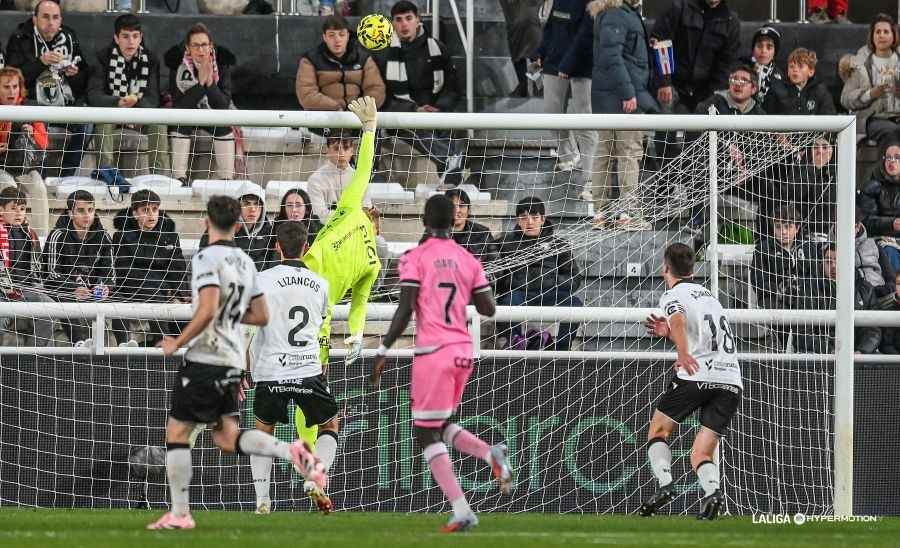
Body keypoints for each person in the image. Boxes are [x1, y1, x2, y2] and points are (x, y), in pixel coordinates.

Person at [148, 195, 325, 531]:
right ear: (239, 225)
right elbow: (260, 314)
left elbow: (208, 308)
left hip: (206, 355)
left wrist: (178, 341)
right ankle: (294, 452)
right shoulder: (246, 262)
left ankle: (181, 513)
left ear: (206, 223)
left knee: (178, 430)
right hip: (231, 358)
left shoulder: (206, 257)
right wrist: (232, 316)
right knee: (227, 437)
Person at [370, 194, 513, 533]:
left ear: (423, 219)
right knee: (438, 424)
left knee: (423, 429)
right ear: (454, 221)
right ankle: (491, 453)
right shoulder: (468, 259)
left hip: (434, 351)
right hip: (464, 351)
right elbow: (489, 309)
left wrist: (383, 349)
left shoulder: (415, 257)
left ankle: (462, 510)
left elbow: (405, 309)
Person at [293, 96, 382, 442]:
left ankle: (311, 455)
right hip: (299, 284)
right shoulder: (349, 207)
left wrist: (357, 335)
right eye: (371, 215)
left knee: (314, 386)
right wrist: (370, 130)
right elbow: (364, 168)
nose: (373, 220)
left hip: (321, 315)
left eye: (374, 218)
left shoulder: (373, 263)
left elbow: (359, 304)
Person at [640, 242, 742, 520]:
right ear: (693, 268)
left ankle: (665, 484)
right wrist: (669, 335)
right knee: (701, 453)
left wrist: (682, 351)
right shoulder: (711, 296)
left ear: (664, 267)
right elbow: (704, 336)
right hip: (730, 379)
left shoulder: (673, 294)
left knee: (659, 431)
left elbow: (679, 320)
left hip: (696, 373)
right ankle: (713, 492)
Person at [247, 220, 338, 516]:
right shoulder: (321, 284)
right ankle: (315, 477)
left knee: (263, 430)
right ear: (306, 247)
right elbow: (320, 320)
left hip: (271, 369)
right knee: (330, 425)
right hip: (308, 370)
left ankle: (263, 500)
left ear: (277, 247)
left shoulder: (261, 279)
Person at [582, 0, 657, 229]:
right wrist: (627, 92)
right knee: (629, 151)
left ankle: (601, 213)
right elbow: (612, 56)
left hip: (607, 96)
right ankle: (628, 213)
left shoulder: (615, 12)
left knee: (605, 152)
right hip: (624, 97)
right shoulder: (617, 13)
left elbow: (620, 52)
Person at [376, 1, 465, 187]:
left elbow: (452, 88)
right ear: (392, 24)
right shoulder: (384, 54)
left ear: (418, 21)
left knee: (447, 125)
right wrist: (414, 109)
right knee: (416, 128)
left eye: (408, 18)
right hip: (402, 115)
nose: (404, 24)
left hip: (435, 110)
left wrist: (439, 107)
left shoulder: (438, 48)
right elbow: (382, 97)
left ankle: (450, 181)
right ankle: (449, 161)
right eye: (398, 20)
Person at [5, 0, 91, 177]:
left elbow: (85, 77)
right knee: (38, 127)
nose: (51, 22)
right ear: (35, 20)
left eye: (55, 17)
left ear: (61, 20)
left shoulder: (69, 37)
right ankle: (42, 177)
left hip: (66, 103)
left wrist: (73, 74)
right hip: (35, 104)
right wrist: (40, 62)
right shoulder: (20, 37)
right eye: (45, 17)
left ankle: (65, 176)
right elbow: (13, 79)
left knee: (88, 125)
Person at [651, 0, 741, 163]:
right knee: (664, 132)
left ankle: (690, 183)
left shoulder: (730, 21)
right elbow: (660, 41)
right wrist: (664, 81)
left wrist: (708, 97)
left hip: (704, 90)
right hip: (672, 82)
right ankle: (666, 183)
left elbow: (725, 65)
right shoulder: (678, 6)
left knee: (698, 138)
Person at [495, 197, 583, 351]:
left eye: (534, 217)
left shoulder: (558, 244)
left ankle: (561, 349)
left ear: (543, 219)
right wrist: (516, 282)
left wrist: (550, 281)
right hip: (519, 294)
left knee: (575, 304)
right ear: (518, 220)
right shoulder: (504, 243)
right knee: (505, 302)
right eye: (524, 218)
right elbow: (497, 276)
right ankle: (516, 346)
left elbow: (573, 278)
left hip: (551, 293)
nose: (529, 222)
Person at [87, 14, 169, 175]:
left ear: (140, 38)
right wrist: (119, 103)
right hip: (112, 112)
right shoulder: (102, 59)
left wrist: (133, 110)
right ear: (116, 38)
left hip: (139, 114)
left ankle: (158, 176)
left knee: (159, 124)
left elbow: (153, 97)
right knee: (103, 123)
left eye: (135, 36)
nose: (131, 42)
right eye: (125, 36)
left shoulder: (151, 60)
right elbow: (94, 95)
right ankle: (106, 173)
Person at [110, 189, 188, 347]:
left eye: (155, 209)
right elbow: (126, 272)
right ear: (135, 213)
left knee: (188, 307)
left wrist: (178, 295)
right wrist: (165, 288)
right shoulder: (122, 237)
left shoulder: (170, 237)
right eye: (145, 210)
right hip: (132, 288)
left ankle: (182, 353)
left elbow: (178, 269)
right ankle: (162, 345)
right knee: (154, 297)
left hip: (164, 291)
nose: (151, 214)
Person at [164, 22, 236, 186]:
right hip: (187, 115)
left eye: (204, 45)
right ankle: (179, 179)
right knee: (180, 124)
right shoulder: (178, 67)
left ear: (211, 46)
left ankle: (226, 180)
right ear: (188, 48)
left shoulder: (221, 66)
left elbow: (223, 106)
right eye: (195, 45)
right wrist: (201, 83)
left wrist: (209, 84)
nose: (200, 50)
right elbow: (180, 107)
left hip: (211, 114)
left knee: (224, 127)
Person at [42, 189, 113, 345]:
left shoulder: (104, 237)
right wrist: (73, 288)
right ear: (70, 213)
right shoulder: (58, 235)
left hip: (91, 291)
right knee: (67, 302)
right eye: (81, 210)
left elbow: (109, 272)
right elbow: (51, 274)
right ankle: (79, 343)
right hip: (63, 289)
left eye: (90, 210)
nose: (87, 215)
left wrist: (106, 286)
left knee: (115, 300)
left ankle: (117, 348)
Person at [533, 0, 597, 173]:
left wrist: (568, 64)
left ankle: (590, 176)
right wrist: (541, 51)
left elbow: (585, 35)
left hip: (582, 65)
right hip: (555, 63)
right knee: (552, 113)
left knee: (584, 119)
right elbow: (551, 29)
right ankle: (571, 158)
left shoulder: (592, 3)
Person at [795, 244, 882, 354]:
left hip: (856, 354)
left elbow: (873, 329)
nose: (833, 266)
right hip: (820, 355)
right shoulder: (810, 288)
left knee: (880, 361)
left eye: (838, 261)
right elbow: (802, 332)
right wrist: (829, 351)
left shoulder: (865, 289)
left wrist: (861, 351)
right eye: (828, 261)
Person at [296, 14, 385, 115]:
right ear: (324, 37)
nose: (337, 39)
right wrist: (335, 108)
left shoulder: (363, 59)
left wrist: (360, 108)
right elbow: (306, 95)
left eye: (341, 34)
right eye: (331, 35)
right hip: (324, 117)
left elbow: (376, 89)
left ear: (348, 36)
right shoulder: (310, 59)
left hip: (359, 116)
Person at [0, 186, 55, 346]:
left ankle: (34, 358)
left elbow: (37, 267)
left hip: (26, 290)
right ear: (1, 209)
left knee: (52, 310)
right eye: (13, 208)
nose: (19, 213)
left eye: (22, 209)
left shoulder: (30, 234)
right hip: (2, 292)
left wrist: (37, 287)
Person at [840, 13, 900, 152]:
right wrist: (869, 94)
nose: (881, 35)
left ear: (894, 35)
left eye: (886, 31)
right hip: (871, 118)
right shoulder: (859, 63)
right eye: (877, 32)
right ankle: (884, 174)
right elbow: (845, 98)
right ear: (872, 37)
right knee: (891, 132)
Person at [199, 190, 277, 272]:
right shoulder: (218, 230)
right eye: (246, 204)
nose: (253, 209)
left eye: (257, 204)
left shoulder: (271, 233)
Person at [307, 129, 372, 223]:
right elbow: (319, 216)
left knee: (379, 238)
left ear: (352, 150)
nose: (341, 154)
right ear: (327, 150)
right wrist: (354, 216)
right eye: (336, 149)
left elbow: (366, 212)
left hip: (356, 231)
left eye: (346, 148)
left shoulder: (360, 178)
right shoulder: (316, 179)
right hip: (327, 232)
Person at [858, 141, 900, 278]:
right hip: (882, 240)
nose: (892, 161)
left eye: (897, 157)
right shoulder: (873, 186)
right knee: (889, 252)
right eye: (888, 157)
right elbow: (867, 221)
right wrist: (892, 223)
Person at [767, 48, 836, 116]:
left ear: (811, 72)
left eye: (800, 67)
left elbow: (829, 118)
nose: (795, 70)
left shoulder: (820, 92)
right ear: (788, 71)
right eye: (791, 66)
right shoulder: (778, 91)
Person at [499, 0, 543, 98]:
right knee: (517, 55)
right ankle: (522, 84)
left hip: (531, 23)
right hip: (514, 25)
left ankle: (537, 84)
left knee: (534, 55)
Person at [442, 188, 497, 265]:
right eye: (451, 206)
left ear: (468, 209)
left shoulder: (483, 233)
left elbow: (496, 267)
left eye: (461, 205)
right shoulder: (434, 233)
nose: (456, 210)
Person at [741, 26, 786, 109]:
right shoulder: (741, 72)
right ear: (753, 51)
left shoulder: (781, 78)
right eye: (759, 46)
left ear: (774, 53)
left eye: (769, 47)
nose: (763, 51)